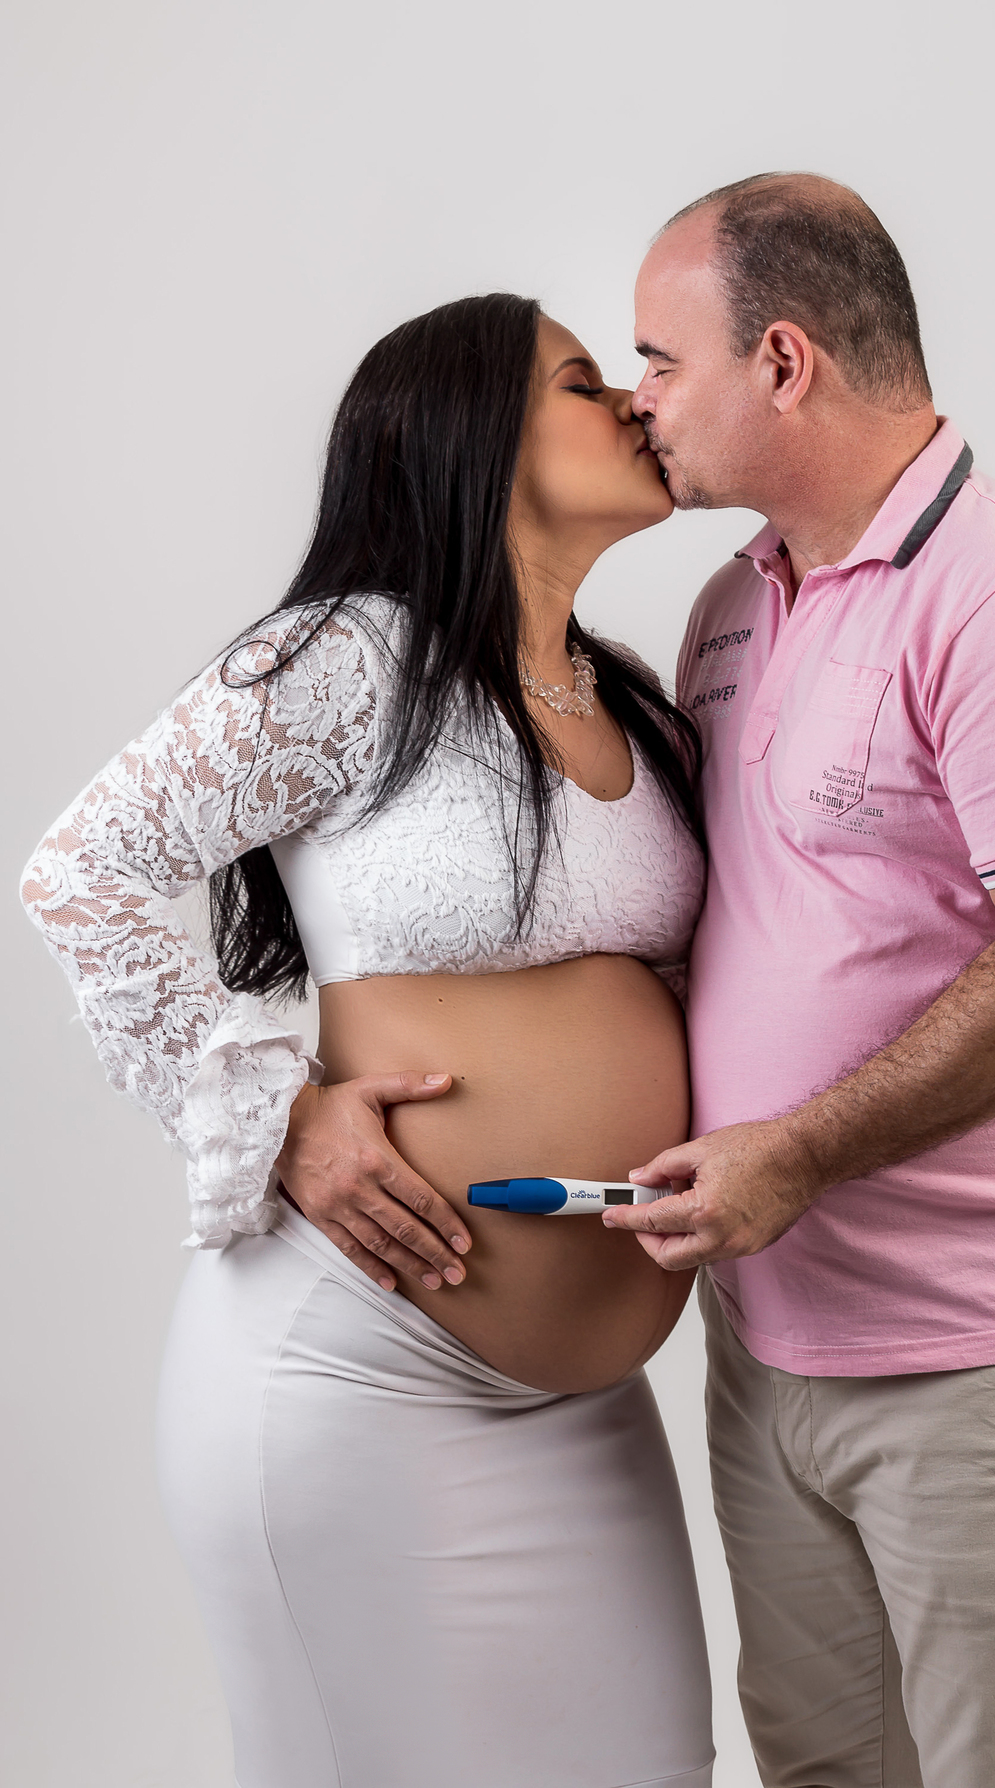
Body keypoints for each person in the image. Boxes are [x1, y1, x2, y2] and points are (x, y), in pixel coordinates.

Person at [20, 294, 715, 1788]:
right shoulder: (348, 660)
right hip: (356, 1368)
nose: (634, 403)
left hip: (583, 1402)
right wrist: (278, 1115)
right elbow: (85, 871)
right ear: (468, 436)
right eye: (585, 382)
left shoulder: (627, 698)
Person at [601, 175, 995, 1788]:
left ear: (783, 362)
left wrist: (796, 1152)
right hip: (768, 1342)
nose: (639, 400)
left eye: (660, 360)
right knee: (823, 1771)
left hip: (981, 1361)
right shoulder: (733, 606)